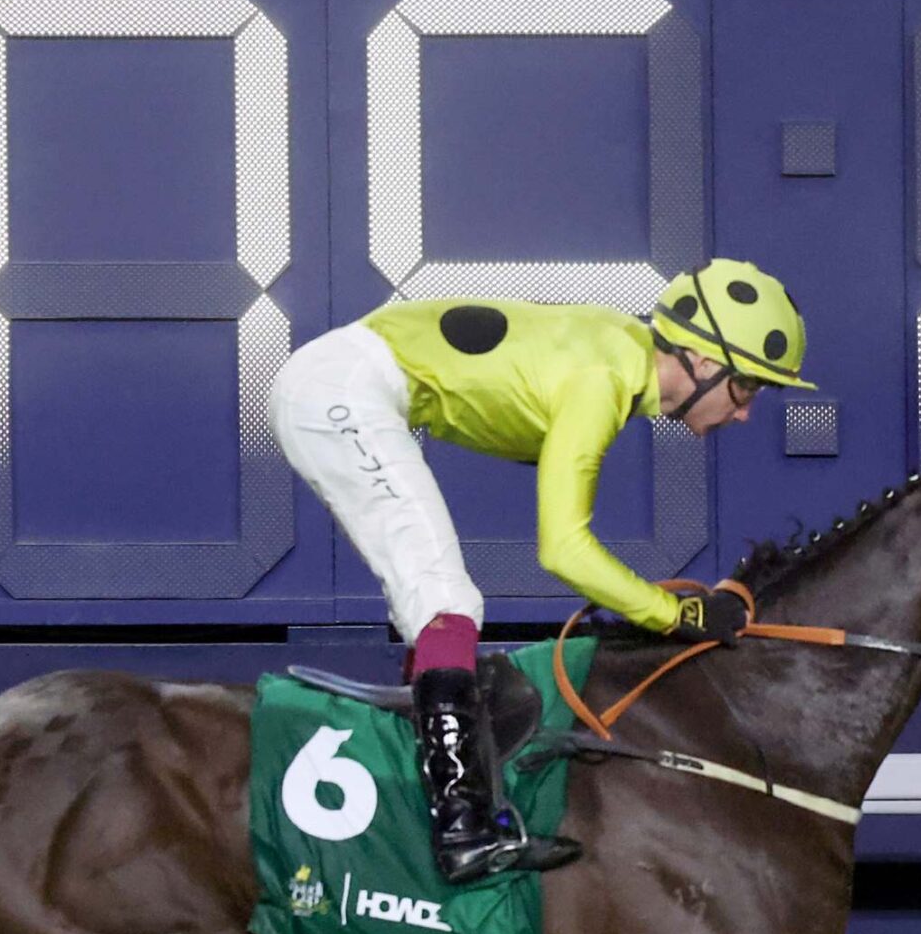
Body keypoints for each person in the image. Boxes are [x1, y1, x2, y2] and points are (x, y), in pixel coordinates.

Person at [267, 259, 815, 885]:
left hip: (342, 380)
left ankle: (432, 792)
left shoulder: (616, 353)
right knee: (446, 602)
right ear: (703, 361)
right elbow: (563, 549)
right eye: (746, 388)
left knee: (437, 609)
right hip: (339, 392)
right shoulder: (602, 378)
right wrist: (680, 614)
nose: (744, 412)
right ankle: (461, 829)